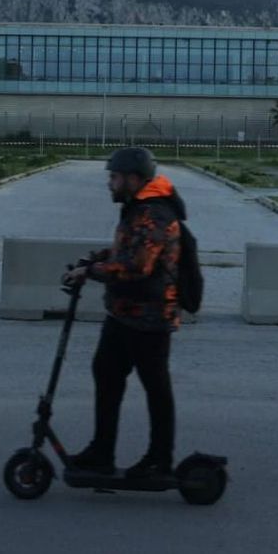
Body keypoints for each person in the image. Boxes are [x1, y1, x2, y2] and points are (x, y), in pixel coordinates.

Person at [61, 146, 185, 481]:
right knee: (106, 375)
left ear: (133, 178)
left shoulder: (155, 214)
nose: (110, 183)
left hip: (150, 318)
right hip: (124, 314)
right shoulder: (137, 209)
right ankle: (102, 452)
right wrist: (95, 259)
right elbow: (125, 250)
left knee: (156, 388)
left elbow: (138, 265)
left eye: (114, 177)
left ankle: (160, 459)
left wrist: (91, 271)